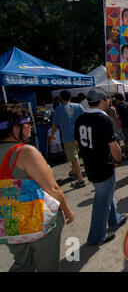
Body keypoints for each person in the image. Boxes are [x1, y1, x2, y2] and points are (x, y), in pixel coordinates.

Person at [0, 104, 74, 271]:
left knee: (23, 263)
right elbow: (52, 188)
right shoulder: (25, 152)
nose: (30, 127)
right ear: (15, 127)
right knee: (47, 265)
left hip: (9, 221)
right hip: (37, 220)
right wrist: (66, 209)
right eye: (27, 123)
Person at [75, 88, 127, 245]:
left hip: (90, 165)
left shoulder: (81, 118)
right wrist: (119, 158)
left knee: (106, 194)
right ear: (103, 100)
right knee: (100, 201)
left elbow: (77, 143)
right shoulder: (104, 119)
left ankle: (114, 220)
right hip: (103, 166)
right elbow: (114, 146)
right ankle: (96, 236)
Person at [50, 90, 86, 187]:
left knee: (74, 158)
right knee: (75, 156)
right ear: (70, 97)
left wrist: (52, 135)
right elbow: (85, 118)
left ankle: (80, 179)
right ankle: (73, 171)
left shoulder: (58, 109)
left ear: (60, 98)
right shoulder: (78, 106)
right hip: (80, 135)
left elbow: (54, 125)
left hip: (68, 136)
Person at [114, 93, 128, 160]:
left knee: (127, 139)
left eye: (116, 99)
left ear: (118, 99)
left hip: (126, 125)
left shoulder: (119, 106)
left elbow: (117, 116)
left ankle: (127, 153)